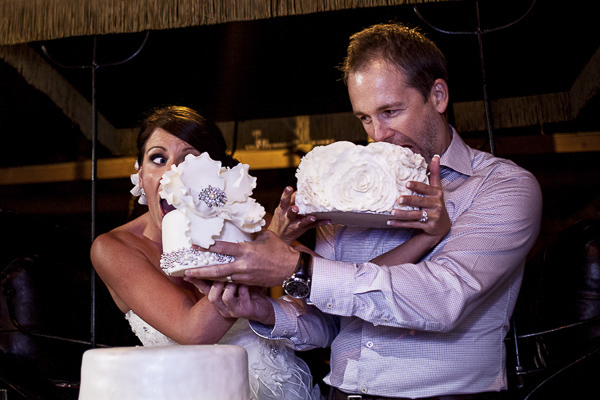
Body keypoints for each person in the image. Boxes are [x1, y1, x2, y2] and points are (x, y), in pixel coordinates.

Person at [184, 23, 543, 400]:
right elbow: (329, 322)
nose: (378, 134)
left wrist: (299, 268)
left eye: (390, 111)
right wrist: (264, 310)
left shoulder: (501, 186)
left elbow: (442, 299)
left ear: (438, 95)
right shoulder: (344, 190)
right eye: (365, 118)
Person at [90, 105, 321, 400]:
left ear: (216, 177)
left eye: (189, 160)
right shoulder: (113, 248)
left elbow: (330, 282)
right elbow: (194, 332)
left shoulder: (245, 226)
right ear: (140, 173)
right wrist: (269, 244)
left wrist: (276, 244)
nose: (172, 173)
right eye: (157, 159)